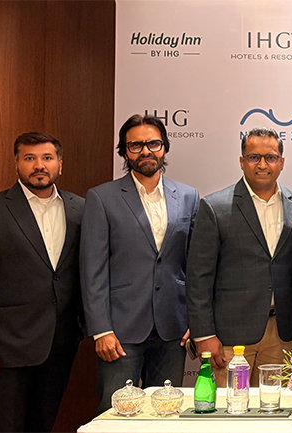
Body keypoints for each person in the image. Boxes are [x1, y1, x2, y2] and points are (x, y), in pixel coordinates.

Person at [80, 114, 200, 413]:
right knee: (117, 415)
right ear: (124, 151)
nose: (146, 151)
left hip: (173, 328)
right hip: (120, 331)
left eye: (153, 143)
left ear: (165, 147)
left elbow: (196, 266)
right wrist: (101, 330)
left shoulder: (188, 196)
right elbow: (92, 270)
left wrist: (195, 321)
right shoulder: (102, 198)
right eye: (135, 145)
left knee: (167, 413)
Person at [186, 128, 292, 386]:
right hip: (229, 337)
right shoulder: (215, 207)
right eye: (254, 157)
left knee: (276, 407)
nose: (262, 165)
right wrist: (204, 335)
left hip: (281, 334)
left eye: (270, 157)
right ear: (242, 161)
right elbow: (198, 278)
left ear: (282, 162)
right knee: (230, 408)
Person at [0, 132, 84, 432]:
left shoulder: (80, 208)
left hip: (60, 343)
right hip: (7, 347)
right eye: (30, 158)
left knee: (43, 426)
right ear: (16, 163)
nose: (39, 165)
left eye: (47, 158)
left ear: (60, 165)